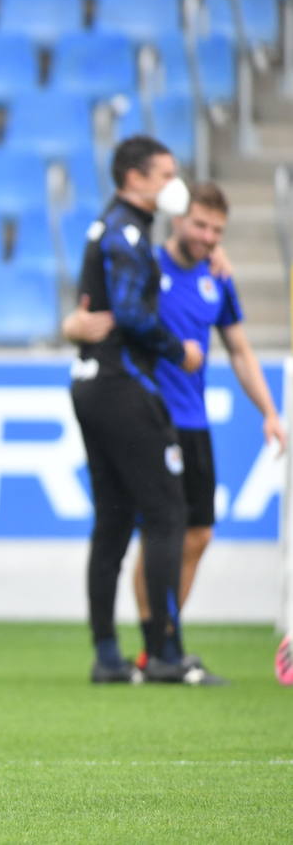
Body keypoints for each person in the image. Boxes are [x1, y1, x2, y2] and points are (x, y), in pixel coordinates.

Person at [62, 181, 285, 683]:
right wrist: (72, 325)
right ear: (178, 220)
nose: (208, 236)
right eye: (200, 225)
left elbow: (240, 350)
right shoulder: (145, 266)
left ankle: (159, 637)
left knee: (196, 534)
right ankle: (158, 645)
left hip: (195, 419)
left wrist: (269, 412)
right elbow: (103, 312)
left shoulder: (217, 278)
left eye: (217, 231)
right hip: (149, 414)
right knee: (160, 528)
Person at [67, 135, 208, 686]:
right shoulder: (127, 232)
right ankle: (165, 651)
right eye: (165, 173)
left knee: (114, 520)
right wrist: (180, 349)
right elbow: (130, 312)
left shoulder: (109, 227)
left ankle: (107, 654)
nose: (175, 184)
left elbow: (97, 305)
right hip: (123, 385)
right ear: (134, 179)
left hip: (91, 384)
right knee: (168, 513)